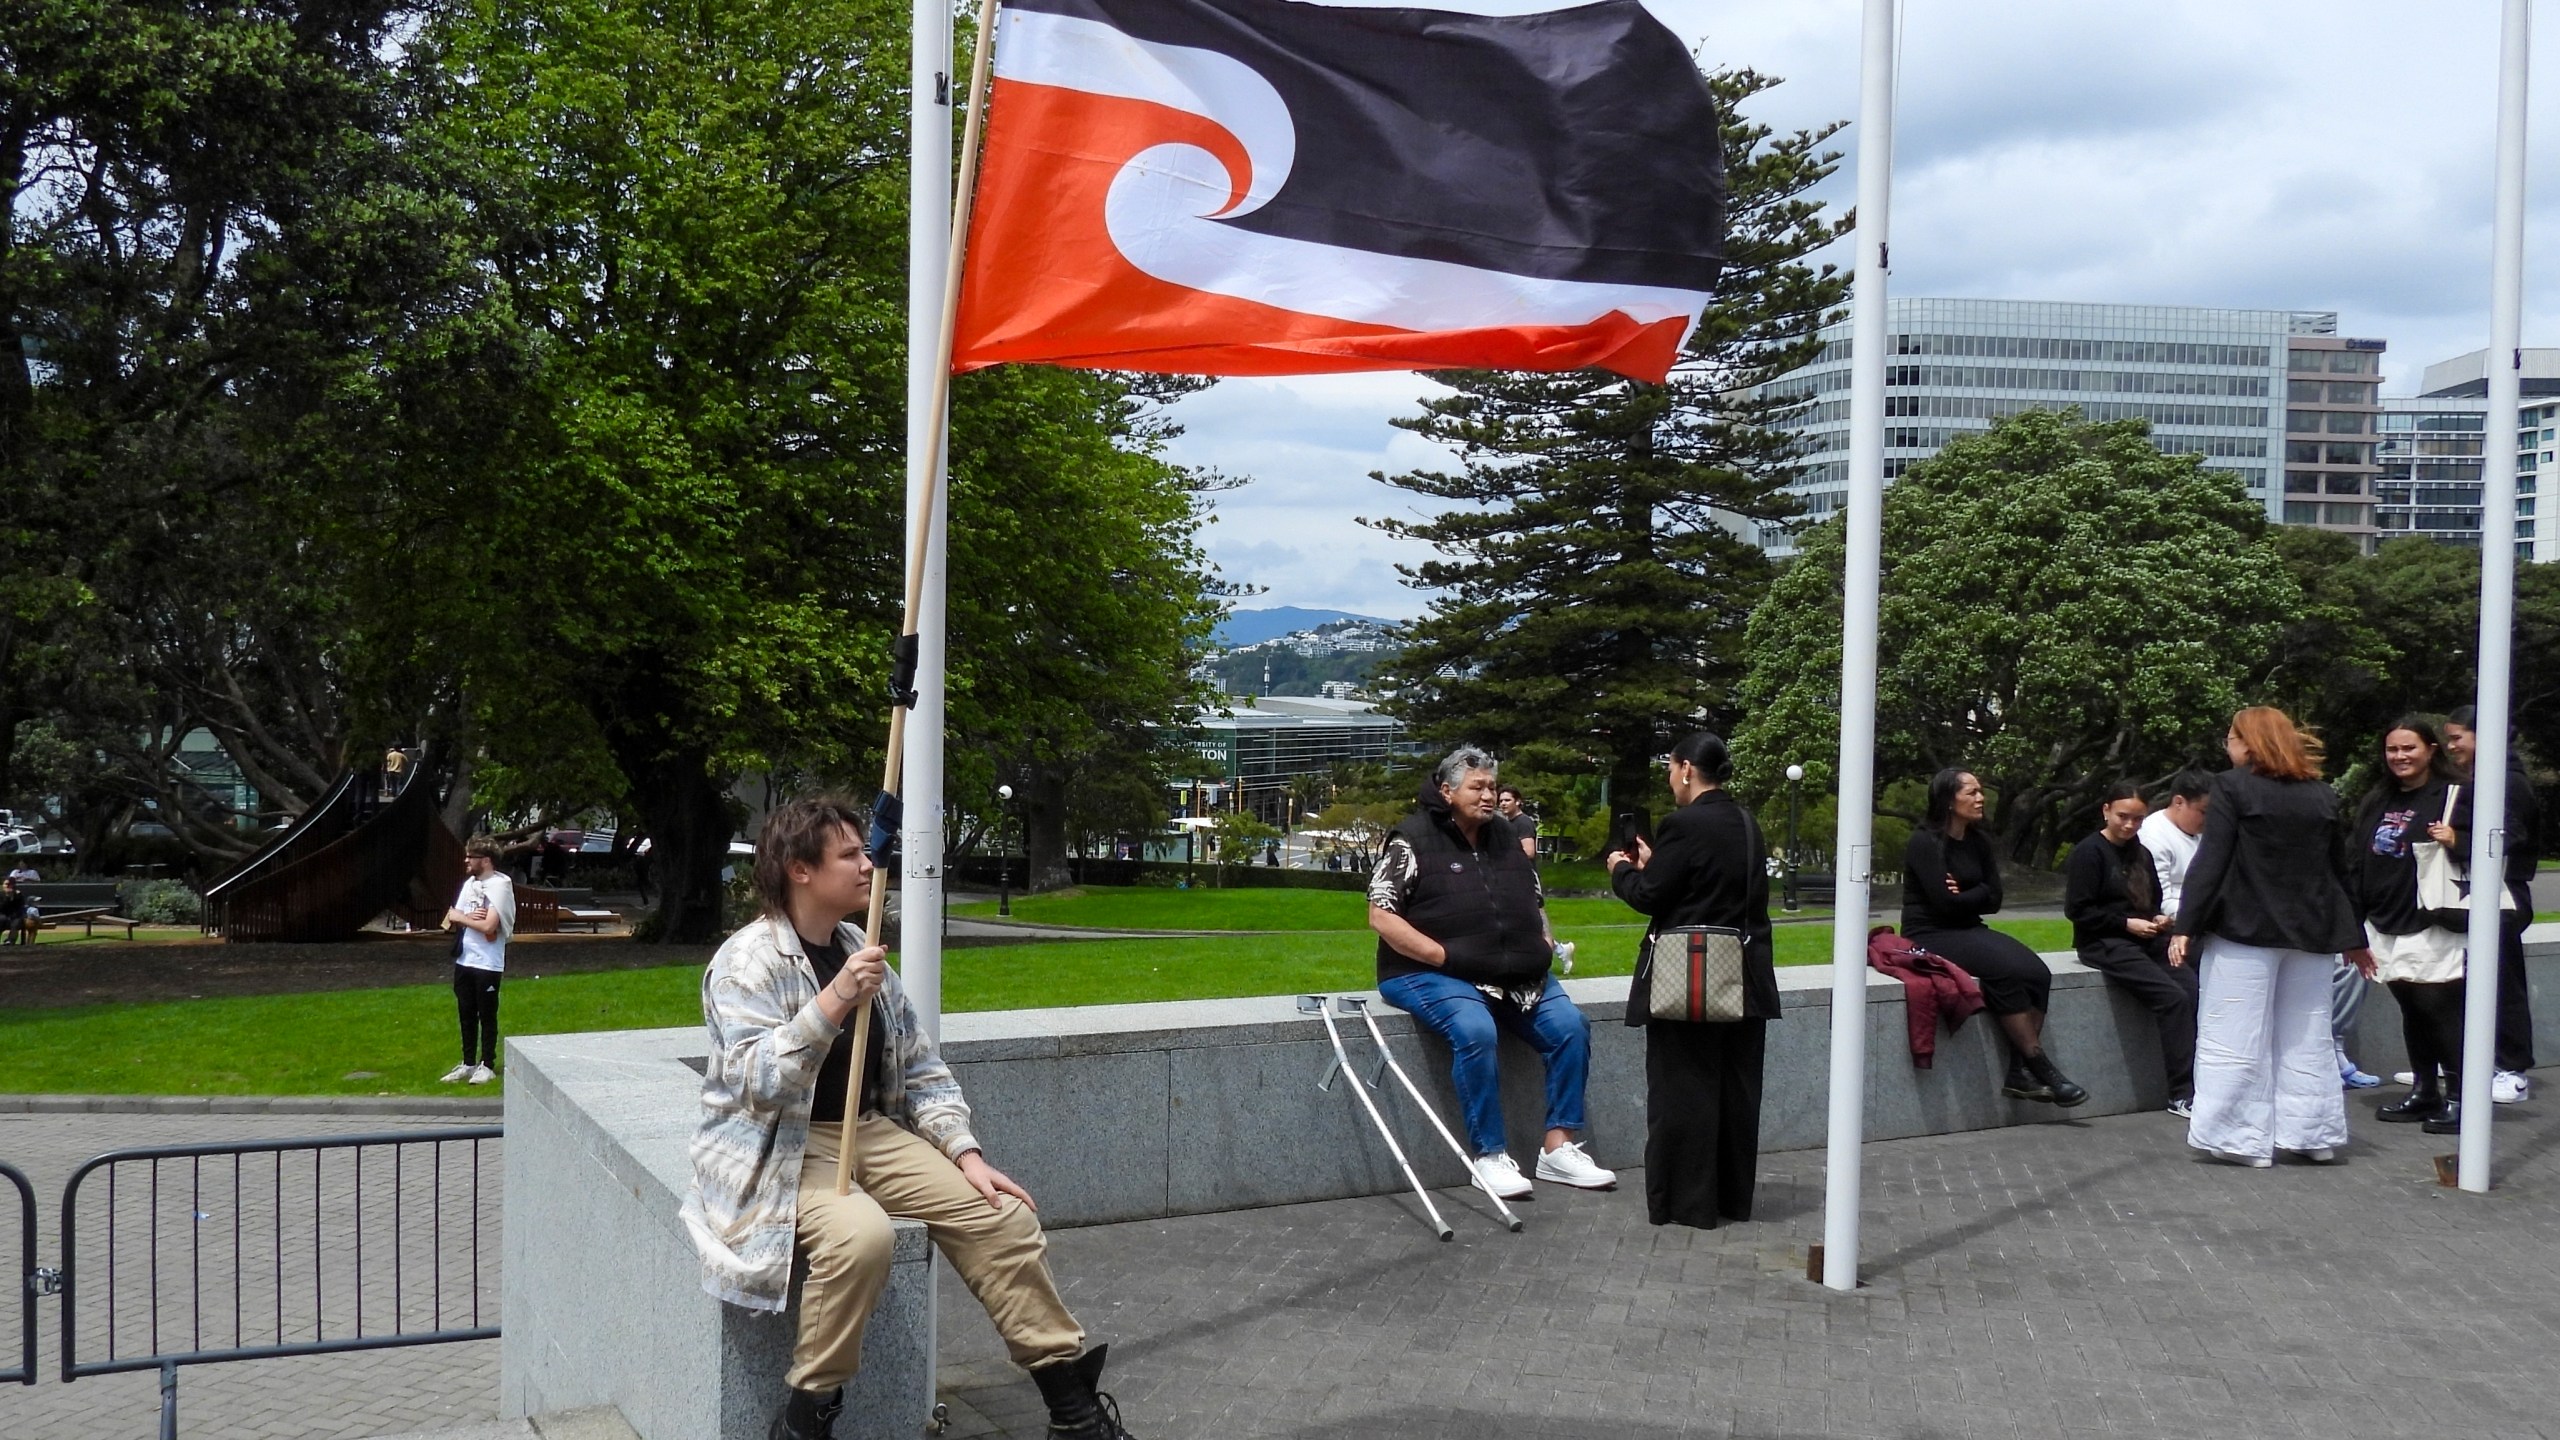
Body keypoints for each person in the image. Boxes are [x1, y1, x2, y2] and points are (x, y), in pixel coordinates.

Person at [682, 798, 1135, 1440]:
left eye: (865, 852)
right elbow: (757, 1082)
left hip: (867, 1131)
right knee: (861, 1237)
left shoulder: (857, 948)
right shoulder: (745, 962)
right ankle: (805, 1419)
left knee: (1002, 1218)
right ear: (799, 869)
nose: (869, 865)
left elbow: (921, 1070)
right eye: (849, 855)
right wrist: (837, 998)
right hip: (782, 1143)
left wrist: (966, 1155)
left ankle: (1074, 1411)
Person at [1368, 746, 1615, 1199]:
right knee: (1476, 1030)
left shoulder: (1506, 838)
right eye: (1477, 787)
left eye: (1492, 787)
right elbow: (1381, 915)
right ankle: (1490, 1156)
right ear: (1447, 791)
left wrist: (1543, 942)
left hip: (1517, 975)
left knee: (1570, 1028)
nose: (1489, 796)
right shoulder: (1412, 838)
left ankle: (1558, 1148)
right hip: (1429, 973)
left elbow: (1535, 900)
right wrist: (1443, 957)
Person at [2168, 706, 2376, 1167]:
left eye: (2231, 737)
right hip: (2311, 932)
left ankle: (2239, 1139)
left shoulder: (2231, 786)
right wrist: (2353, 936)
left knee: (2233, 1034)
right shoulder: (2320, 794)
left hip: (2246, 929)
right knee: (2308, 1035)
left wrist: (2186, 926)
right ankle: (2311, 1135)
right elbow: (2337, 871)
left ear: (2248, 742)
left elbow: (2212, 860)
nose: (2227, 745)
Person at [1605, 731, 1779, 1229]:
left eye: (1671, 769)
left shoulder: (1683, 825)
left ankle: (1686, 1202)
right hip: (1745, 977)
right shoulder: (1747, 823)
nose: (1669, 779)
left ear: (1686, 769)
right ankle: (1731, 1197)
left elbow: (1651, 896)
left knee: (1683, 1089)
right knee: (1735, 1091)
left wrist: (1622, 870)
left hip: (1691, 977)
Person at [1902, 769, 2087, 1107]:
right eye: (1971, 792)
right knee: (2001, 971)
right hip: (1930, 932)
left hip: (1967, 927)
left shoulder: (1978, 842)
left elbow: (1995, 900)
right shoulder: (1924, 842)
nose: (1980, 798)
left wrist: (1968, 892)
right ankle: (2043, 1069)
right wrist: (1978, 892)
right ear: (1948, 800)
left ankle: (2019, 1072)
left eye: (1981, 791)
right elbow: (1943, 905)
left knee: (2037, 973)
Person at [2352, 718, 2473, 1136]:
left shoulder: (2455, 796)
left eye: (2410, 748)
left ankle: (2462, 1096)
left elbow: (2502, 842)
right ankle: (2425, 1091)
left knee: (2437, 1008)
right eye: (2393, 750)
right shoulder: (2378, 798)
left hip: (2431, 920)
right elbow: (2357, 856)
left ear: (2431, 750)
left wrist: (2457, 839)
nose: (2400, 757)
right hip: (2383, 920)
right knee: (2410, 1007)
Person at [2064, 782, 2197, 1117]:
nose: (2130, 825)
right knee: (2171, 997)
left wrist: (2157, 919)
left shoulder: (2141, 852)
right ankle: (2181, 1093)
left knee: (2192, 987)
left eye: (2137, 819)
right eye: (2123, 817)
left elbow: (2151, 900)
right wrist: (2125, 924)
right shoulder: (2089, 852)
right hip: (2103, 942)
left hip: (2144, 937)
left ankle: (2200, 1083)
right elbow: (2078, 910)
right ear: (2106, 810)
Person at [2443, 706, 2539, 1104]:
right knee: (2468, 977)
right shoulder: (2481, 778)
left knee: (2503, 978)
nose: (2451, 747)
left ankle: (2512, 1069)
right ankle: (2471, 1061)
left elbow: (2510, 836)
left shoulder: (2506, 781)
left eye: (2457, 738)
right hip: (2477, 891)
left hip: (2502, 893)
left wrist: (2458, 841)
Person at [442, 837, 515, 1084]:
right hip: (465, 959)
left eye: (470, 857)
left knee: (487, 1012)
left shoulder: (500, 886)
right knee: (466, 1013)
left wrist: (464, 918)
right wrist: (465, 917)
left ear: (485, 860)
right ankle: (468, 1062)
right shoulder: (469, 885)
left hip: (487, 963)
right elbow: (450, 918)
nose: (466, 861)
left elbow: (489, 926)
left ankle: (487, 1064)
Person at [1496, 784, 1539, 860]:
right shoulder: (1507, 823)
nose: (1503, 804)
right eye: (1501, 801)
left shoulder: (1524, 822)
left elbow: (1529, 853)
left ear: (1517, 802)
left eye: (1507, 800)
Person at [0, 877, 34, 946]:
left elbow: (20, 907)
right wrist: (7, 898)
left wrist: (13, 897)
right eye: (6, 884)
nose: (7, 886)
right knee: (1, 919)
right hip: (3, 915)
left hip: (15, 916)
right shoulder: (1, 895)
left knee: (16, 922)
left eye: (9, 884)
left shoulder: (18, 895)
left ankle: (10, 941)